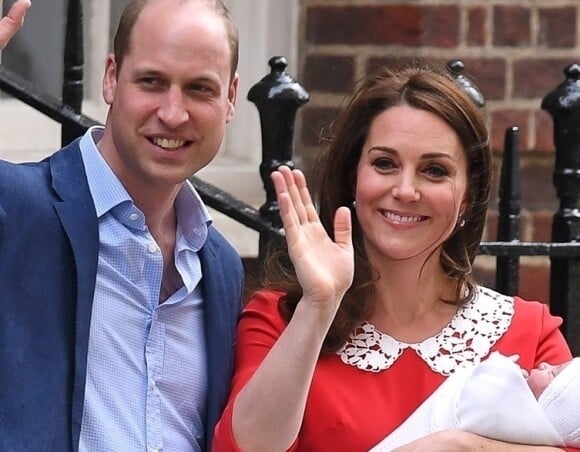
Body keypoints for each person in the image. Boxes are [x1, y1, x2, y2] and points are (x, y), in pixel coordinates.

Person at [212, 62, 576, 452]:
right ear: (354, 177)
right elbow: (245, 448)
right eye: (384, 163)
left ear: (469, 194)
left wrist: (458, 446)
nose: (405, 190)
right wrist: (320, 304)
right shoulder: (280, 320)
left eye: (434, 170)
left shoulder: (529, 333)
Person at [0, 0, 244, 451]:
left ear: (230, 99)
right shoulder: (17, 207)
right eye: (152, 82)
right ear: (111, 79)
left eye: (199, 88)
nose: (173, 112)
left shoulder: (220, 265)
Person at [370, 352, 580, 450]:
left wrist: (460, 444)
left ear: (555, 403)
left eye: (555, 372)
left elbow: (487, 386)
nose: (545, 365)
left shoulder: (499, 397)